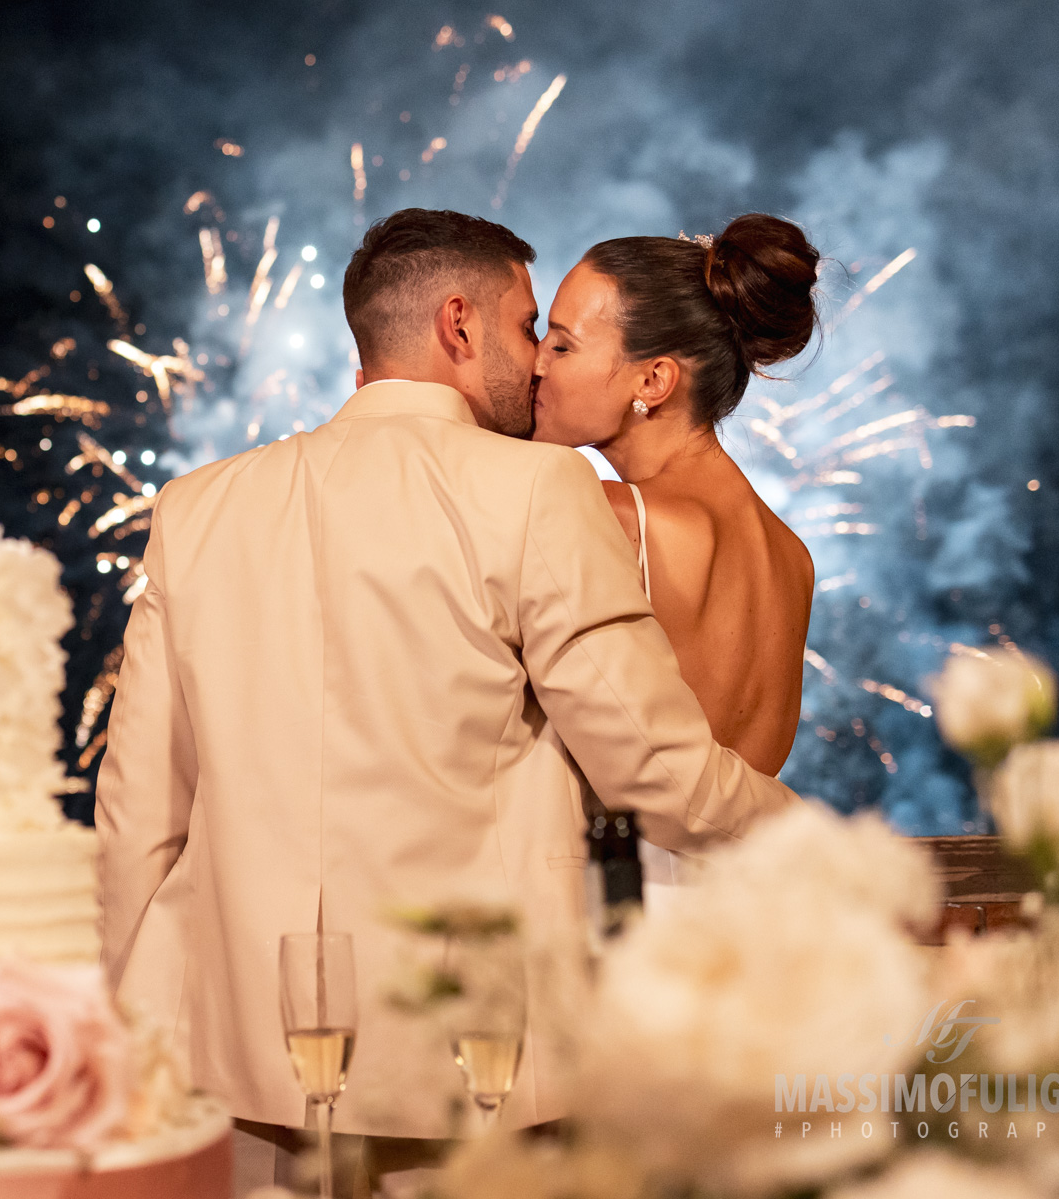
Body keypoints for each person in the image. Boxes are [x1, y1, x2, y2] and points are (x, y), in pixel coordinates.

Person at [95, 209, 798, 1195]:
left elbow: (137, 815)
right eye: (526, 329)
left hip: (227, 1057)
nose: (539, 364)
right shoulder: (538, 491)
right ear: (460, 328)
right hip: (471, 1069)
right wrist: (827, 837)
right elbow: (658, 771)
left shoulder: (197, 507)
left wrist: (131, 1034)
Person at [531, 214, 818, 891]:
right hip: (760, 908)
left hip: (638, 912)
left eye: (564, 346)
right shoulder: (792, 555)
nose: (536, 362)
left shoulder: (616, 519)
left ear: (653, 382)